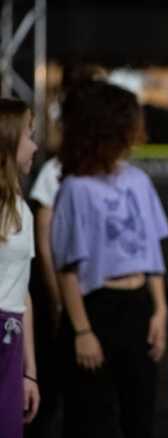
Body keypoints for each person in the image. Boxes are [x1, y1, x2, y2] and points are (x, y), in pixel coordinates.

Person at [51, 81, 168, 438]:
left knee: (140, 415)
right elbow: (67, 269)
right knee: (91, 419)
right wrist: (83, 331)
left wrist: (161, 310)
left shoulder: (138, 180)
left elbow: (153, 253)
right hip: (97, 307)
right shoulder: (75, 187)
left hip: (139, 306)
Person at [0, 98, 40, 438]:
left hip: (10, 338)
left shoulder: (21, 209)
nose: (35, 145)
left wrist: (30, 372)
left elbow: (22, 292)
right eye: (29, 134)